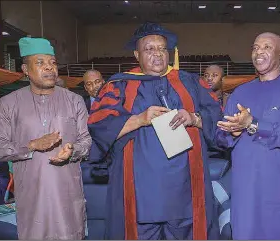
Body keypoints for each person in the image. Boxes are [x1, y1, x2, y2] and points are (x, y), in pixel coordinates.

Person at [87, 22, 221, 240]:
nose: (157, 54)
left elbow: (219, 120)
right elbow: (99, 124)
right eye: (149, 49)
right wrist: (139, 119)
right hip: (140, 193)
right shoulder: (119, 85)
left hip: (186, 191)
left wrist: (194, 118)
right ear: (136, 54)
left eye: (161, 49)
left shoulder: (191, 82)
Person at [0, 37, 92, 240]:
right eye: (40, 63)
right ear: (25, 69)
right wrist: (32, 145)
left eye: (53, 63)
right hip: (31, 195)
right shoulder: (8, 103)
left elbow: (86, 141)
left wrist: (72, 151)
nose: (49, 68)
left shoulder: (74, 100)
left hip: (67, 194)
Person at [216, 32, 280, 239]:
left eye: (267, 47)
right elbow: (220, 138)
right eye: (255, 48)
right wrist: (232, 132)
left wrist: (254, 124)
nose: (259, 52)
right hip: (244, 192)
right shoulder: (240, 93)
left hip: (279, 193)